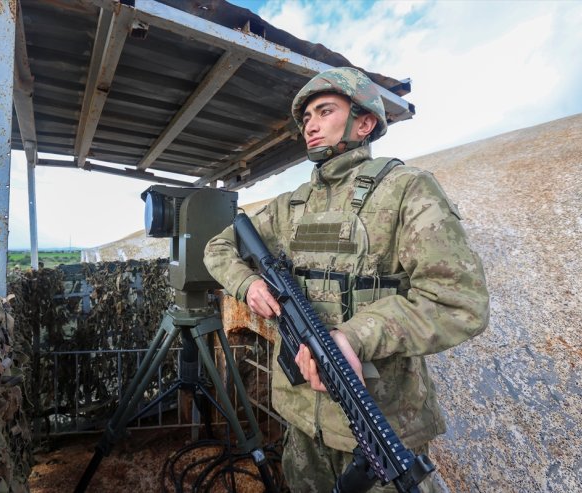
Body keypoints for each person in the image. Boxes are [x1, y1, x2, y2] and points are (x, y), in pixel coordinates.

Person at [203, 67, 490, 492]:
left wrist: (355, 337)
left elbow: (458, 302)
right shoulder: (289, 207)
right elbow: (218, 248)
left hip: (379, 424)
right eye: (306, 119)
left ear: (364, 121)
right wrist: (249, 284)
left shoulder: (406, 190)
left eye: (324, 111)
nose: (311, 126)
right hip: (301, 421)